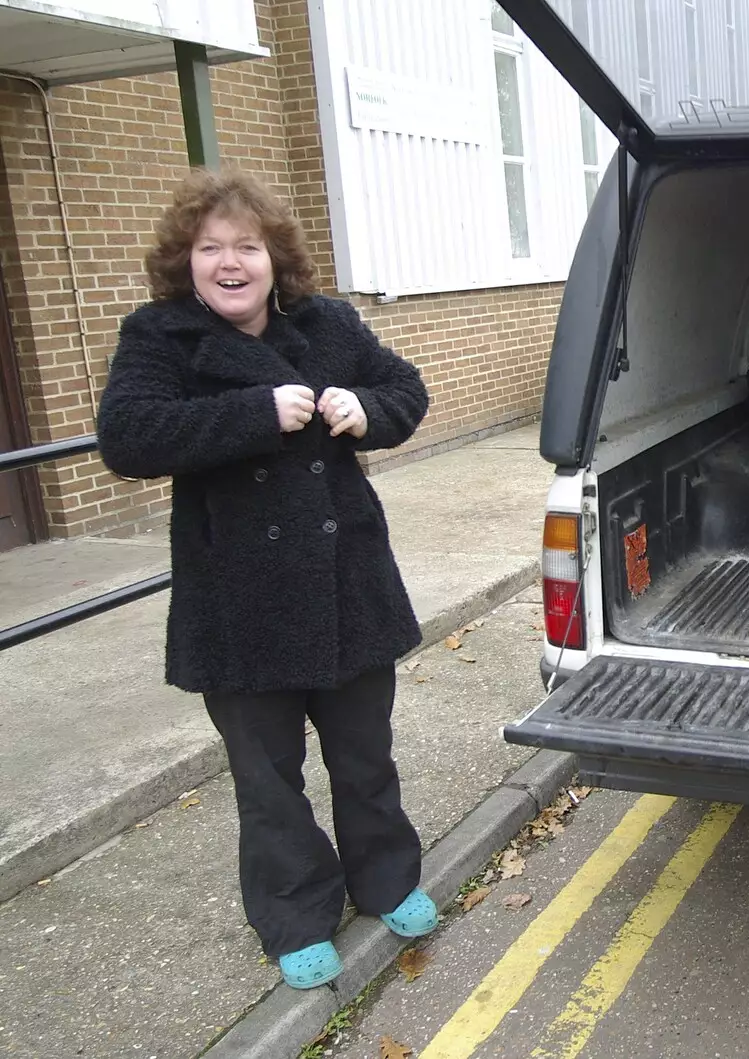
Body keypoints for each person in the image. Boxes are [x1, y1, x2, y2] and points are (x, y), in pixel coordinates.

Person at [97, 167, 435, 990]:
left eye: (246, 245)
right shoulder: (158, 337)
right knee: (267, 778)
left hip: (347, 583)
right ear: (188, 263)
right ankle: (293, 915)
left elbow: (407, 390)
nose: (230, 261)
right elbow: (128, 435)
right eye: (210, 248)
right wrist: (252, 416)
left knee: (364, 758)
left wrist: (367, 409)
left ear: (274, 258)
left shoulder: (329, 325)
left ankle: (386, 879)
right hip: (238, 604)